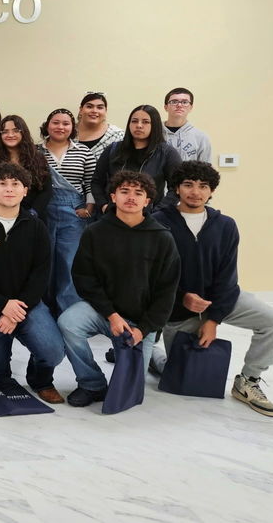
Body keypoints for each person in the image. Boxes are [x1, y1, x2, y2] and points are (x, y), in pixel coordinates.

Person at [156, 161, 273, 417]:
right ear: (176, 189)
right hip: (178, 309)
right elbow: (154, 276)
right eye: (188, 185)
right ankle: (156, 358)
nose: (196, 192)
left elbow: (228, 276)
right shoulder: (158, 222)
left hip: (220, 301)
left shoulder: (226, 225)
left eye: (203, 186)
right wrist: (182, 298)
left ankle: (248, 381)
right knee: (184, 372)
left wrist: (213, 319)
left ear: (212, 191)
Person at [57, 171, 180, 407]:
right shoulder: (95, 232)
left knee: (131, 393)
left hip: (140, 321)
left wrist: (143, 329)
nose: (131, 197)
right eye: (124, 191)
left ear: (147, 201)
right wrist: (111, 315)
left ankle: (151, 354)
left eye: (138, 193)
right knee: (68, 322)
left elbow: (167, 292)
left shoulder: (163, 238)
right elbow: (84, 278)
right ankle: (91, 383)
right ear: (113, 196)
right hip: (104, 313)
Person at [0, 163, 65, 404]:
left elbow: (40, 274)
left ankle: (40, 379)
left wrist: (16, 310)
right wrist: (2, 305)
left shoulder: (36, 227)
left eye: (15, 184)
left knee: (53, 351)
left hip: (27, 307)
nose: (9, 189)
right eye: (3, 184)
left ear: (25, 191)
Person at [38, 108, 96, 313]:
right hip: (44, 211)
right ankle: (43, 308)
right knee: (44, 260)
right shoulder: (36, 151)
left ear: (72, 127)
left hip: (75, 211)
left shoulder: (84, 152)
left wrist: (88, 208)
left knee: (69, 261)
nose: (60, 127)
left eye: (65, 123)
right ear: (47, 125)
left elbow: (91, 182)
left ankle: (69, 312)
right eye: (55, 122)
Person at [92, 105, 181, 212]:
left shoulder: (167, 153)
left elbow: (176, 188)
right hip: (113, 215)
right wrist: (104, 206)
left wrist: (158, 212)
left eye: (145, 122)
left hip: (149, 218)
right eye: (134, 121)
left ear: (155, 125)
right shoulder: (113, 149)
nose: (139, 125)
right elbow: (96, 181)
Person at [0, 115, 53, 218]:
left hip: (32, 216)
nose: (10, 135)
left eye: (16, 130)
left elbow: (46, 190)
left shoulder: (37, 158)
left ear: (23, 133)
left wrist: (33, 213)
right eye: (5, 132)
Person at [162, 87, 213, 162]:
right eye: (174, 101)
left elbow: (206, 169)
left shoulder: (201, 138)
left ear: (191, 107)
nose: (179, 105)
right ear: (166, 107)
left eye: (185, 102)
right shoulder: (154, 133)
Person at [74, 92, 123, 160]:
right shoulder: (67, 131)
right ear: (81, 109)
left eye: (100, 107)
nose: (94, 111)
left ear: (105, 111)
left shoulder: (117, 136)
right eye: (89, 106)